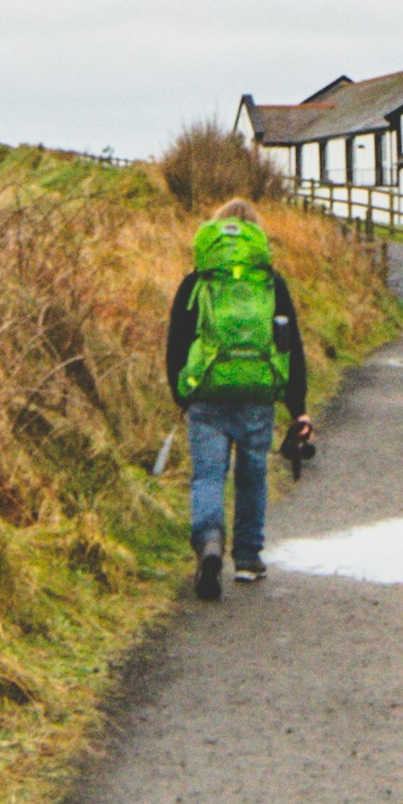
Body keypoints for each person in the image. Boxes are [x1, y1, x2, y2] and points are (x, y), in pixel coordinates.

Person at [162, 203, 319, 597]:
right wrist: (297, 405)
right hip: (256, 394)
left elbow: (177, 342)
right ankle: (247, 557)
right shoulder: (271, 283)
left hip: (207, 394)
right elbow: (290, 347)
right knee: (252, 475)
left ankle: (211, 543)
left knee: (209, 475)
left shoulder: (198, 281)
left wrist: (181, 391)